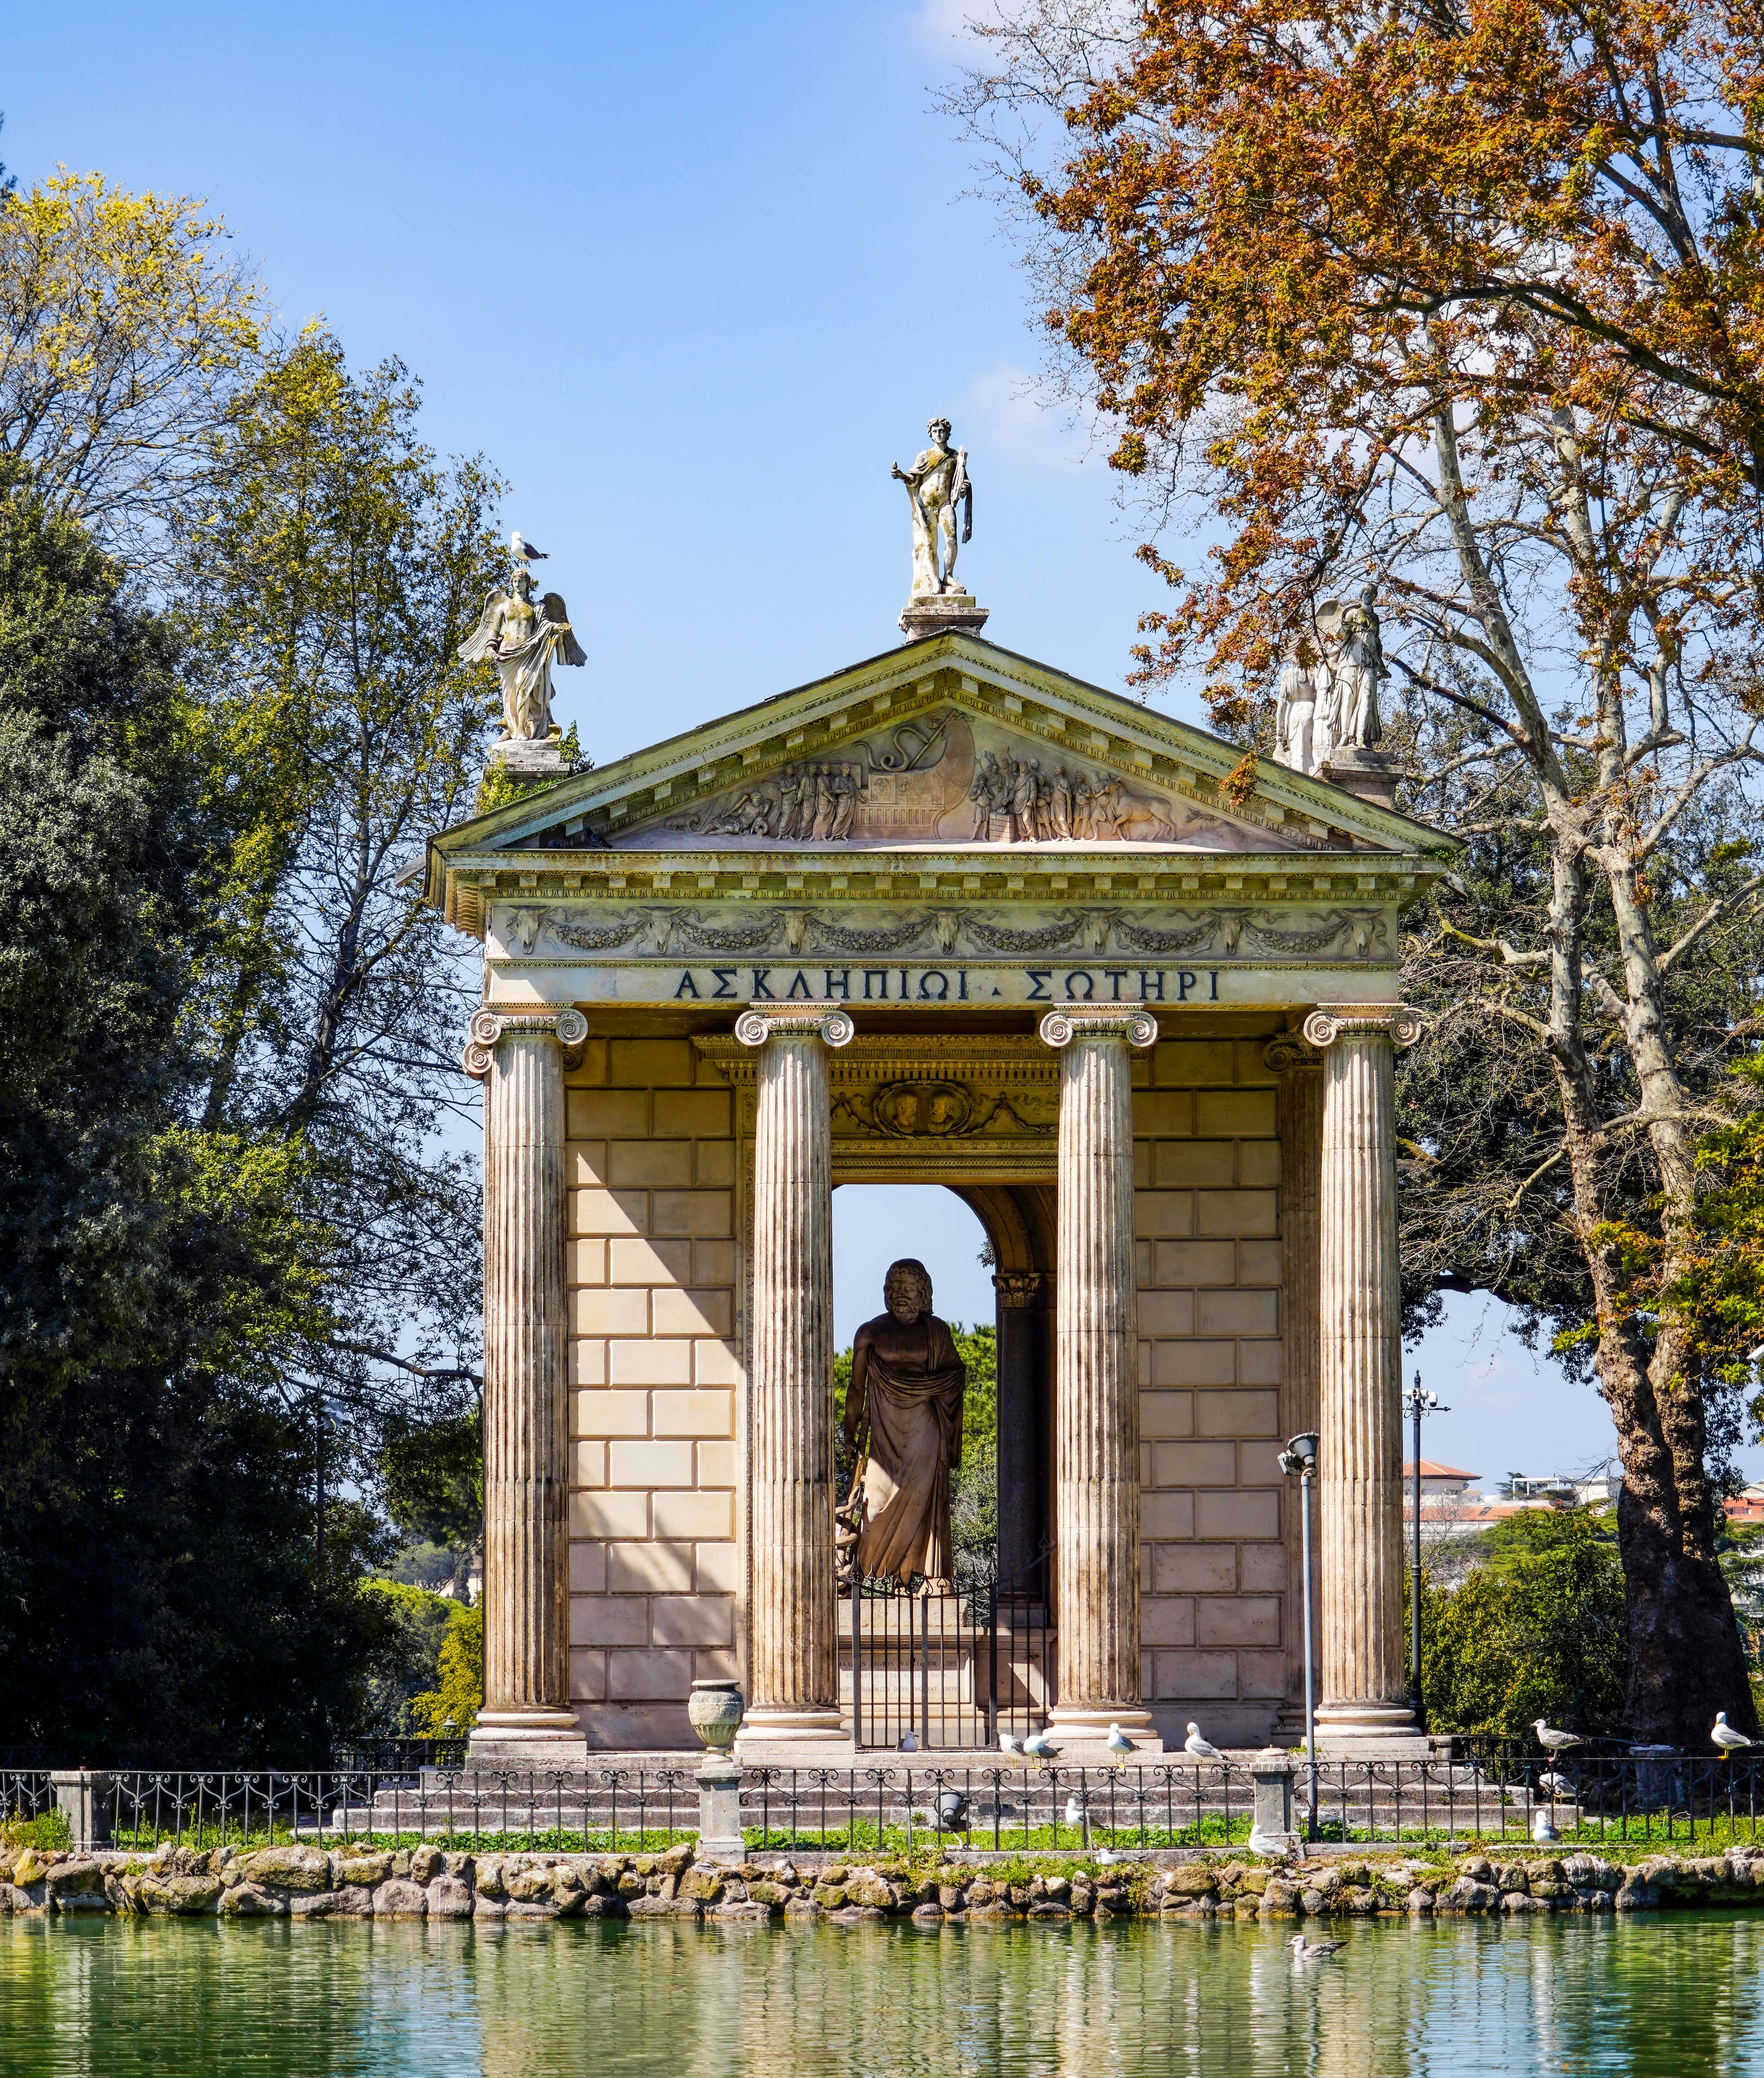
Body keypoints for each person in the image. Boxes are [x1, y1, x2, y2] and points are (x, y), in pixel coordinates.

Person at [842, 1259, 968, 1590]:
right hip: (884, 1433)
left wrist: (937, 1387)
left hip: (926, 1431)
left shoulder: (937, 1331)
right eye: (895, 1287)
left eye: (908, 1288)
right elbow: (856, 1387)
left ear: (922, 1293)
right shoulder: (870, 1332)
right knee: (875, 1507)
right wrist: (849, 1430)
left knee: (922, 1506)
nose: (901, 1294)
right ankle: (869, 1581)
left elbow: (955, 1376)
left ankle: (923, 1579)